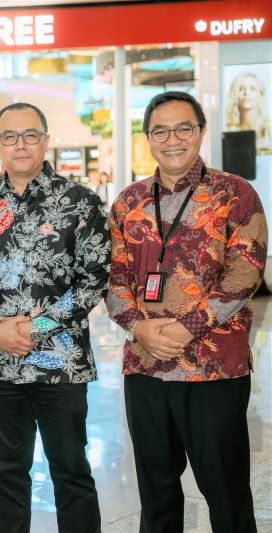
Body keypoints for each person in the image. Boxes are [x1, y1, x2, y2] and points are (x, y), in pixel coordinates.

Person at [106, 91, 266, 532]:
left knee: (226, 491)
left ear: (200, 132)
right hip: (145, 367)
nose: (172, 139)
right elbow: (114, 277)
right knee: (155, 492)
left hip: (213, 368)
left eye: (183, 128)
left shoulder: (235, 194)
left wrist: (186, 328)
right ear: (147, 138)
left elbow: (245, 272)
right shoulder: (129, 202)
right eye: (160, 131)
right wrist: (139, 329)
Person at [0, 102, 109, 533]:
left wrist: (37, 328)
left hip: (61, 364)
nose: (20, 145)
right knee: (6, 476)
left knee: (71, 472)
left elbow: (94, 278)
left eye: (30, 135)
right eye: (10, 136)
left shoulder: (80, 202)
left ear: (45, 140)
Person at [226, 71, 272, 152]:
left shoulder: (269, 129)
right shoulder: (230, 131)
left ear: (261, 95)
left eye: (252, 88)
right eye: (241, 89)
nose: (246, 92)